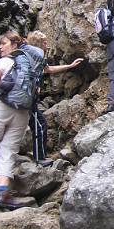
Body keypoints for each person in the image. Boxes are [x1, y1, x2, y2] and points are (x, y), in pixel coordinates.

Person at [0, 31, 41, 209]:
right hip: (22, 112)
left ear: (14, 45)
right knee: (9, 151)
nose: (0, 46)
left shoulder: (6, 61)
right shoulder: (30, 64)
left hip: (2, 106)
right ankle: (3, 193)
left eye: (4, 43)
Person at [26, 31, 83, 166]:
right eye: (44, 42)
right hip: (27, 99)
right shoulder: (36, 56)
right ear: (39, 44)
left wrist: (69, 66)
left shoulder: (32, 56)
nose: (47, 45)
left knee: (36, 125)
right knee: (40, 126)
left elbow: (48, 69)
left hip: (27, 98)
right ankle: (40, 158)